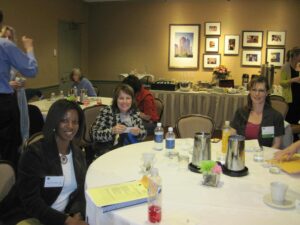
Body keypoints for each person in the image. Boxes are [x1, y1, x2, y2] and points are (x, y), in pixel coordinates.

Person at [0, 99, 88, 225]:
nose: (70, 126)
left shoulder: (79, 154)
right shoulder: (34, 154)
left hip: (63, 216)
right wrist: (67, 221)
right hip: (30, 216)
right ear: (54, 122)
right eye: (64, 120)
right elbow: (31, 202)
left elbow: (80, 192)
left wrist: (77, 214)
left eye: (75, 122)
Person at [0, 9, 38, 167]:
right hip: (3, 106)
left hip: (12, 100)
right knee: (8, 151)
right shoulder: (4, 45)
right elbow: (31, 69)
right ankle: (9, 187)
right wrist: (29, 48)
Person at [231, 76, 284, 148]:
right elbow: (232, 137)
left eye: (261, 90)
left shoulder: (276, 116)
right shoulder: (240, 112)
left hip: (264, 156)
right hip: (241, 154)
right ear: (250, 91)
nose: (257, 94)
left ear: (267, 93)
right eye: (254, 90)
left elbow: (276, 144)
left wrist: (266, 158)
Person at [91, 84, 146, 153]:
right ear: (116, 99)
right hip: (109, 152)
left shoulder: (134, 112)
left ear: (132, 100)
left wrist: (138, 133)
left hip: (130, 151)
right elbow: (95, 135)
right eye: (121, 98)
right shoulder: (108, 111)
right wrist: (112, 131)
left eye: (128, 98)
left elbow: (143, 133)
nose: (125, 102)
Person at [1, 25, 30, 144]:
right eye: (5, 37)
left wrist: (20, 81)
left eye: (10, 38)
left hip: (15, 103)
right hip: (2, 105)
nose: (8, 40)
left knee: (15, 138)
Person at [280, 47, 300, 139]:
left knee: (296, 120)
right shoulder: (286, 67)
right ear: (295, 56)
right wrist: (293, 80)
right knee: (289, 121)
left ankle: (295, 139)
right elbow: (282, 82)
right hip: (291, 98)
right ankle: (288, 140)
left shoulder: (299, 66)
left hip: (298, 97)